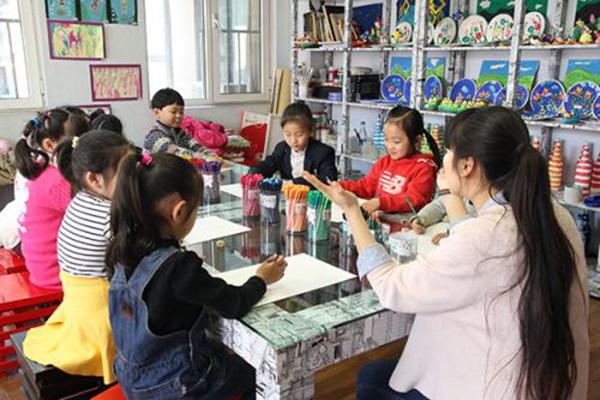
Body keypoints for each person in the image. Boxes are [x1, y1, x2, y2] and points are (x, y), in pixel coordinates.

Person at [303, 106, 589, 400]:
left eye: (449, 151)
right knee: (379, 373)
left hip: (496, 385)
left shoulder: (484, 237)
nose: (443, 159)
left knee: (370, 378)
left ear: (467, 166)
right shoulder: (550, 212)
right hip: (552, 381)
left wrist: (353, 211)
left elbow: (391, 288)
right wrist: (450, 200)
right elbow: (479, 245)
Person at [106, 152, 287, 399]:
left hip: (132, 379)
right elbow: (234, 304)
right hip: (175, 388)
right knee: (255, 371)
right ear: (179, 212)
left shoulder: (120, 249)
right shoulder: (179, 268)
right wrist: (262, 278)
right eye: (195, 211)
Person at [23, 130, 134, 384]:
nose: (133, 180)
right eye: (127, 173)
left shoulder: (79, 199)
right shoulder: (110, 217)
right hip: (103, 315)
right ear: (94, 179)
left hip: (76, 307)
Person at [14, 109, 84, 289]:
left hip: (39, 268)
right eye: (75, 143)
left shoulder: (34, 170)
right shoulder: (58, 181)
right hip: (57, 275)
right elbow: (87, 217)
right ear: (49, 144)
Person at [339, 106, 440, 215]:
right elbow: (366, 187)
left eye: (396, 142)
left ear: (417, 140)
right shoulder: (385, 162)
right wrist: (341, 186)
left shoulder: (424, 168)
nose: (389, 146)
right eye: (386, 139)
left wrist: (380, 203)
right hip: (380, 220)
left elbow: (414, 200)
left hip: (404, 223)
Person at [250, 102, 338, 186]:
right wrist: (254, 173)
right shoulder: (282, 148)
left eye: (299, 135)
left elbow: (328, 179)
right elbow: (267, 165)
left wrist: (293, 183)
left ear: (310, 131)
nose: (293, 140)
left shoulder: (323, 152)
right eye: (288, 134)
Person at [144, 88, 216, 160]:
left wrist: (213, 156)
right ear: (157, 112)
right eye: (173, 112)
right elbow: (177, 152)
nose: (178, 116)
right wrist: (205, 158)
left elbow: (196, 147)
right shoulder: (154, 136)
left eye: (181, 112)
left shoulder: (180, 133)